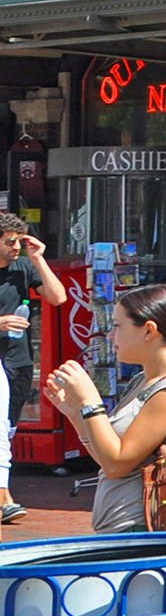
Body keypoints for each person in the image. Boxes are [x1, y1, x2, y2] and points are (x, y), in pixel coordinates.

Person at [42, 282, 166, 533]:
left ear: (148, 331)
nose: (111, 336)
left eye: (117, 326)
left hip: (147, 530)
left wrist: (91, 402)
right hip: (122, 528)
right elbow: (106, 456)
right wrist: (75, 412)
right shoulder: (144, 380)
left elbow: (116, 465)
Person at [0, 215, 68, 523]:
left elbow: (58, 297)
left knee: (8, 428)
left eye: (19, 241)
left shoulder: (23, 267)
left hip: (18, 359)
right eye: (10, 241)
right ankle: (4, 497)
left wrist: (38, 259)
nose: (16, 247)